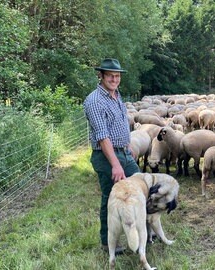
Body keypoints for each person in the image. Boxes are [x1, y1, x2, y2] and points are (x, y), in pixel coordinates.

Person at [83, 58, 140, 253]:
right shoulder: (94, 101)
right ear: (101, 76)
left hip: (124, 152)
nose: (114, 79)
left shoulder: (116, 95)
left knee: (140, 187)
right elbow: (102, 135)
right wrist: (115, 164)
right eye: (110, 76)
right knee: (112, 198)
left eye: (117, 76)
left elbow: (121, 124)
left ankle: (141, 233)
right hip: (106, 157)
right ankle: (108, 242)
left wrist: (128, 145)